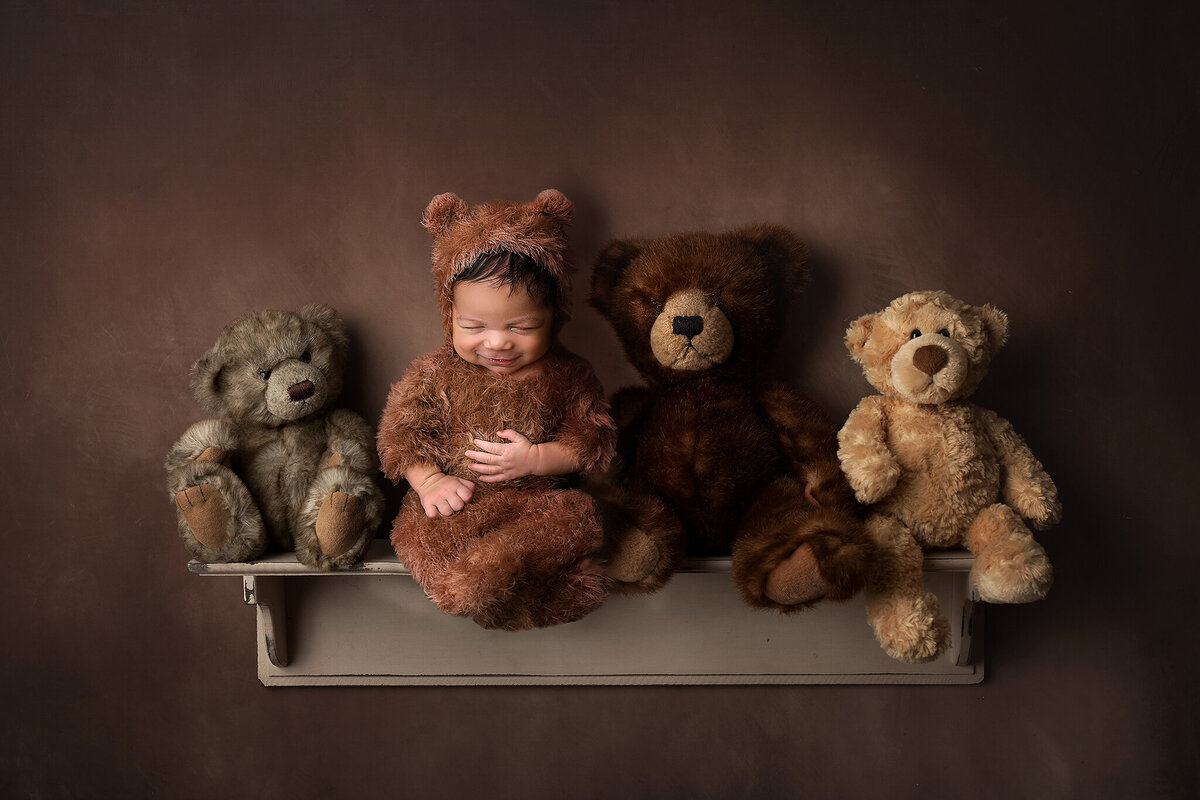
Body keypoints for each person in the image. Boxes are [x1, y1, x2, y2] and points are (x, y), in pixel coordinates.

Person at [377, 190, 616, 630]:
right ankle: (482, 583)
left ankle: (497, 572)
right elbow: (400, 437)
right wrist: (429, 481)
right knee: (419, 539)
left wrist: (538, 459)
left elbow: (591, 443)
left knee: (578, 516)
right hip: (454, 510)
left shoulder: (569, 374)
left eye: (522, 327)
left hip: (531, 508)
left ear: (554, 316)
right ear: (450, 317)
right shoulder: (435, 373)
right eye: (474, 327)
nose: (497, 342)